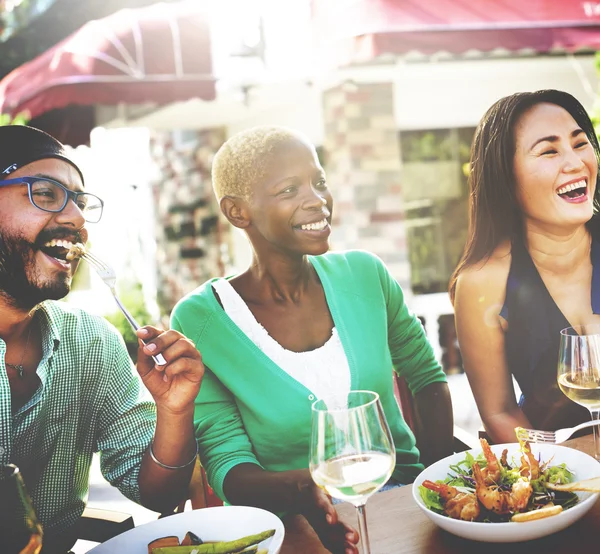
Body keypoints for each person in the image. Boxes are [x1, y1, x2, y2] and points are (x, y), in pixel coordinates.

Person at [171, 125, 454, 554]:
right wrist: (301, 490)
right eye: (289, 190)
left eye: (319, 182)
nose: (317, 199)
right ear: (237, 211)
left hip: (403, 501)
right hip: (299, 530)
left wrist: (435, 493)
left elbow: (428, 379)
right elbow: (227, 464)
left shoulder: (365, 274)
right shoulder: (201, 318)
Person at [0, 125, 204, 554]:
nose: (75, 219)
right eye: (47, 194)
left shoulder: (90, 343)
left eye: (79, 201)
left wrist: (174, 409)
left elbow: (158, 494)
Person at [450, 89, 600, 444]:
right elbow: (500, 413)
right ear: (506, 178)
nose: (575, 162)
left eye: (580, 144)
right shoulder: (484, 282)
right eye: (549, 151)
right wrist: (569, 468)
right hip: (558, 467)